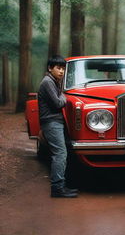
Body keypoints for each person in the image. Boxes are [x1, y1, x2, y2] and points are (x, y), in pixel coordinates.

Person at [38, 55, 78, 198]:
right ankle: (57, 189)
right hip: (51, 122)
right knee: (60, 154)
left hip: (54, 122)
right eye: (58, 68)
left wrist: (61, 95)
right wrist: (64, 97)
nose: (61, 71)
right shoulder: (48, 82)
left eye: (63, 68)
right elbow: (58, 102)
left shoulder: (54, 82)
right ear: (50, 68)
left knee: (61, 153)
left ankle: (60, 186)